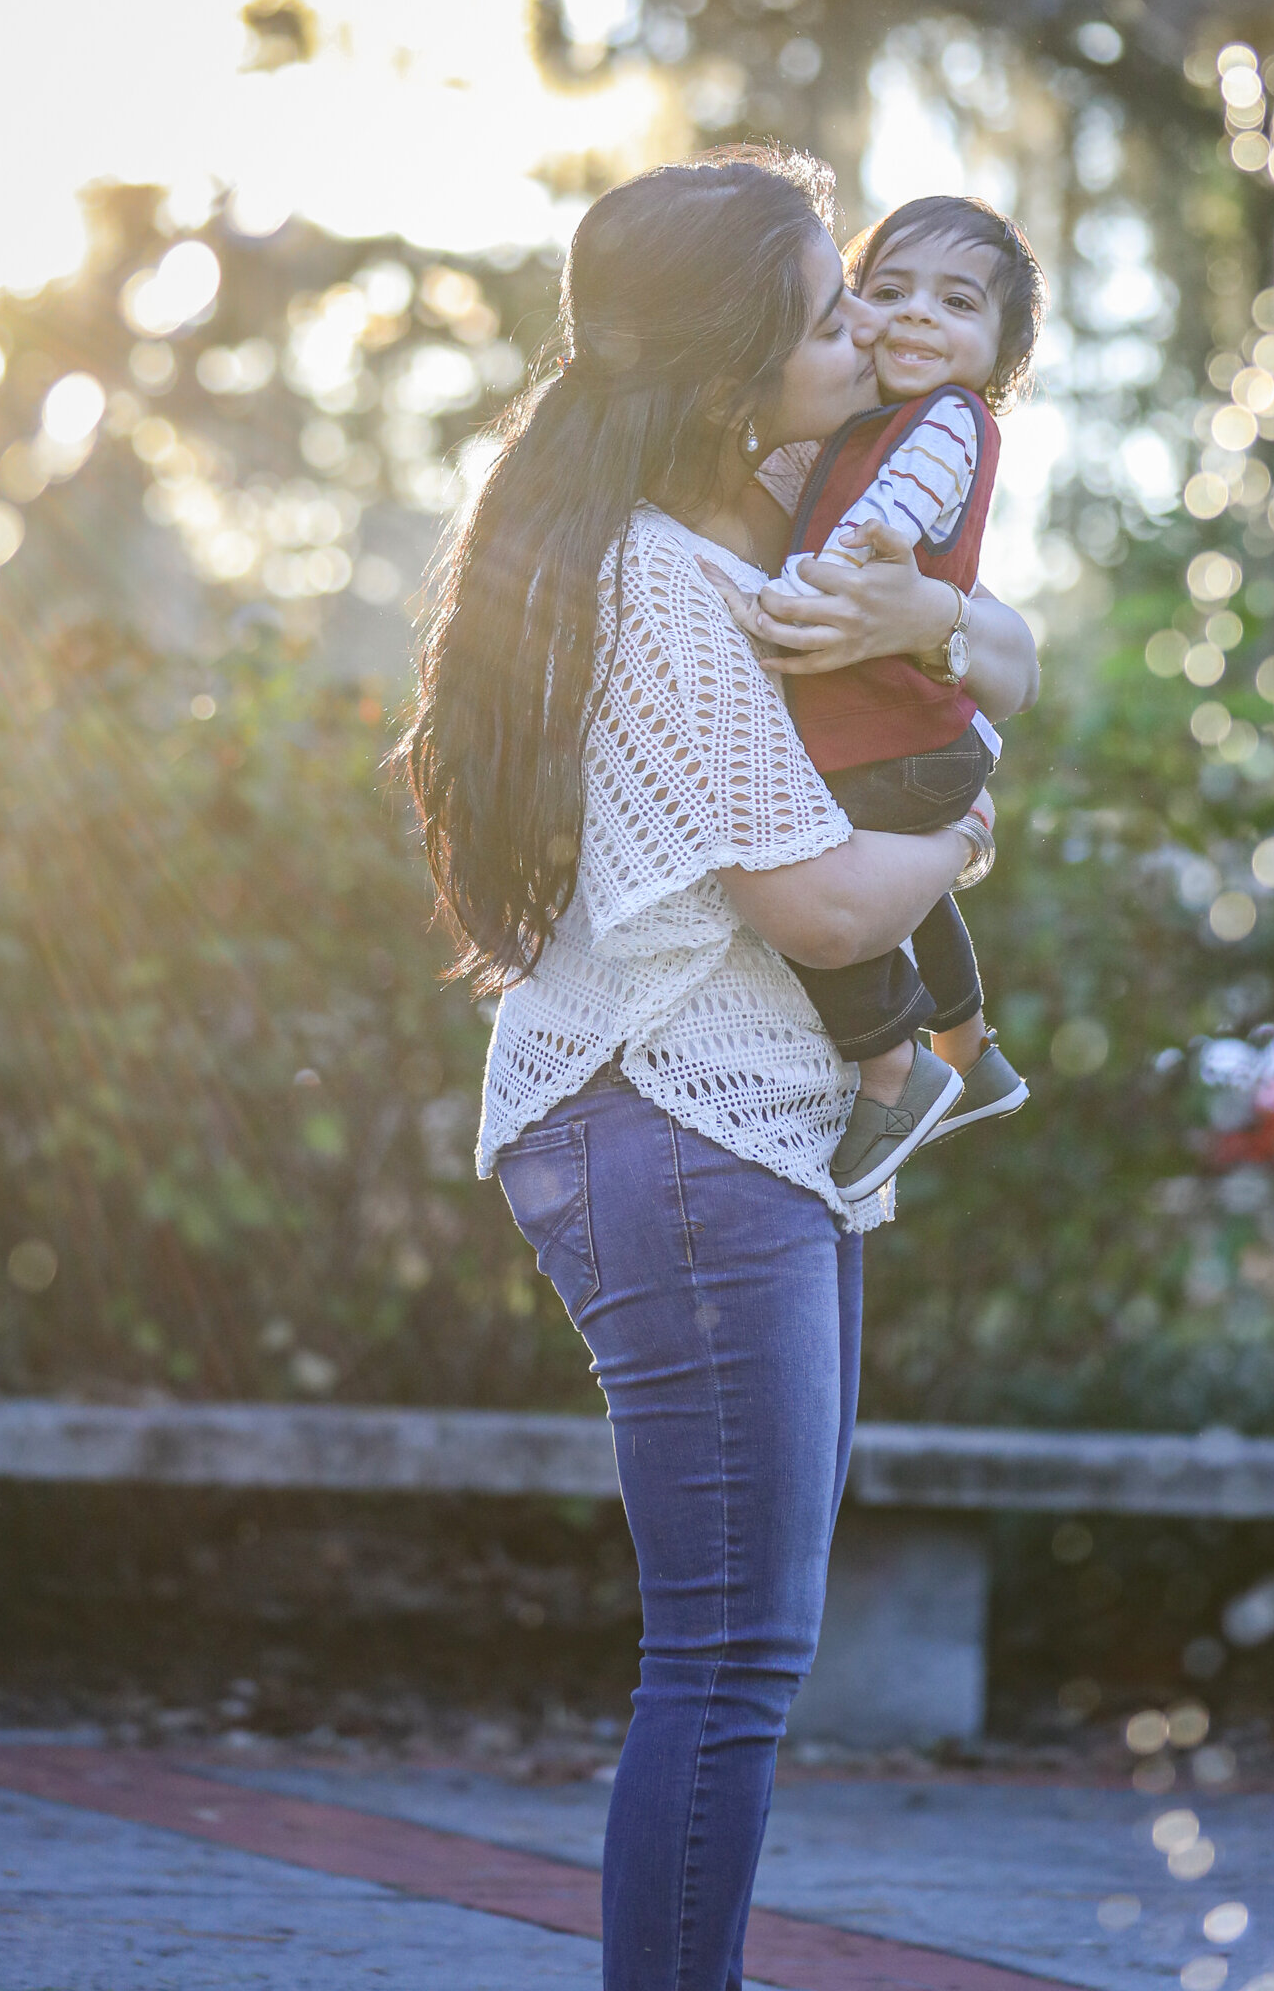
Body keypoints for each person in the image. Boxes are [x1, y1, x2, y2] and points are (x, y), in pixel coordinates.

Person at [400, 147, 1037, 1991]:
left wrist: (968, 646)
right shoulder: (671, 588)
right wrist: (974, 834)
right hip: (675, 1126)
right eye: (832, 314)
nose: (872, 331)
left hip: (743, 1126)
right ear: (729, 368)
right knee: (732, 1654)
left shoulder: (723, 542)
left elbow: (1008, 651)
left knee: (750, 1644)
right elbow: (833, 908)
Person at [719, 195, 1046, 1204]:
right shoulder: (865, 425)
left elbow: (878, 529)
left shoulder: (945, 424)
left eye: (954, 302)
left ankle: (888, 1066)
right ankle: (969, 1042)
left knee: (809, 861)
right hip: (912, 741)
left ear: (997, 356)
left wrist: (774, 604)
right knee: (909, 880)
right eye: (887, 290)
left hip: (901, 742)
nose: (912, 317)